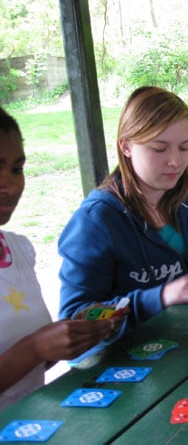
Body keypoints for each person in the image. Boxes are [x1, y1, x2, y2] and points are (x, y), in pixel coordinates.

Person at [58, 87, 188, 328]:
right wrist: (161, 297)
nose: (175, 161)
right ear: (126, 147)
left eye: (184, 147)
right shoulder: (97, 220)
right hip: (126, 359)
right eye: (159, 149)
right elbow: (74, 320)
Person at [0, 108, 114, 411]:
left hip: (32, 425)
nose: (10, 186)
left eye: (17, 169)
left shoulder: (19, 251)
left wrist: (73, 334)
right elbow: (30, 351)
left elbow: (31, 367)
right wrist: (35, 347)